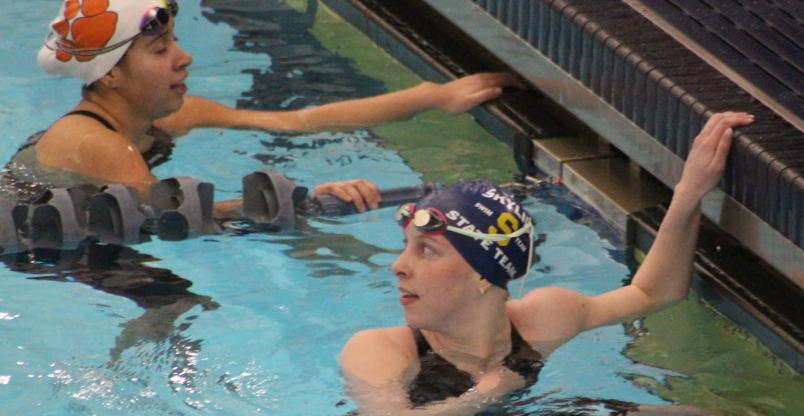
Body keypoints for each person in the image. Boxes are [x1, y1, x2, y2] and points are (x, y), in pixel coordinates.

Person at [339, 111, 754, 416]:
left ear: (484, 276)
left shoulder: (544, 319)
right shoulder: (380, 350)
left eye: (425, 250)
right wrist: (490, 392)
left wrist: (689, 192)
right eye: (405, 245)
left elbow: (654, 291)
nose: (398, 265)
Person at [1, 0, 517, 209]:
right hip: (27, 243)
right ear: (110, 75)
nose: (184, 58)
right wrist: (312, 199)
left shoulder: (169, 117)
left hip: (93, 213)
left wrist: (432, 96)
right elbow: (182, 217)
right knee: (173, 302)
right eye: (161, 50)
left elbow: (299, 120)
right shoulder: (100, 145)